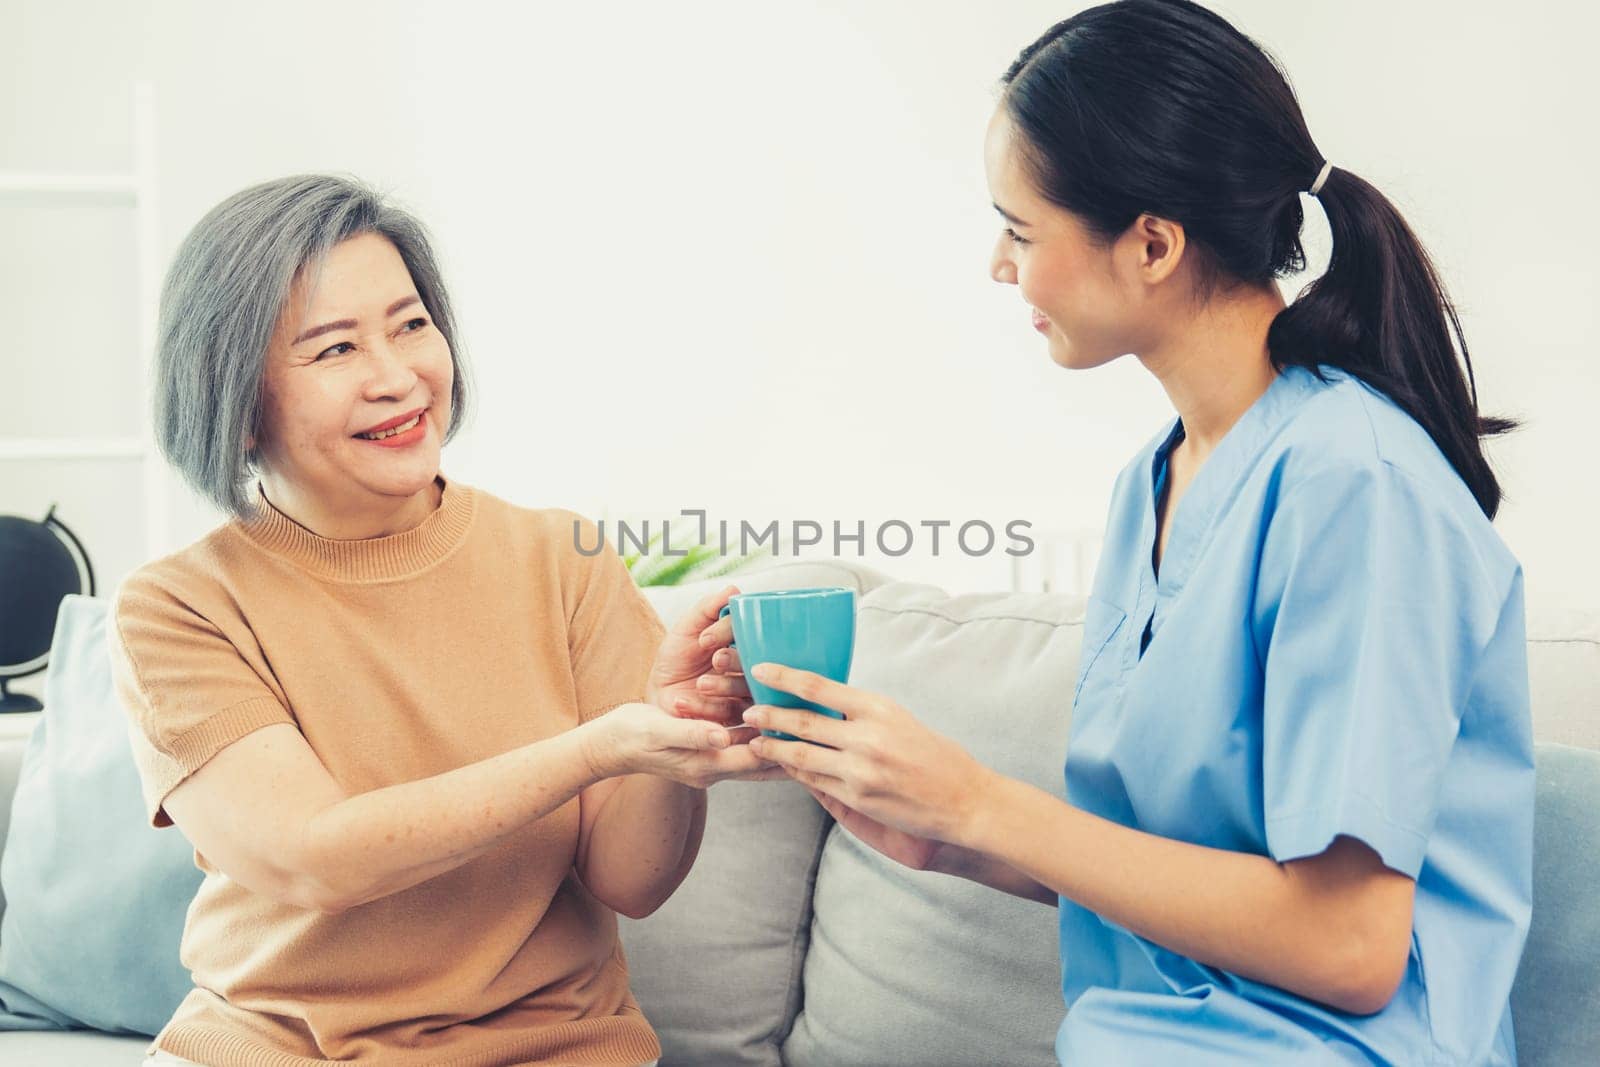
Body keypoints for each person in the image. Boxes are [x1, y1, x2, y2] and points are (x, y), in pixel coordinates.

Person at [733, 2, 1533, 1063]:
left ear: (1151, 242)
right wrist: (939, 829)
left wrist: (985, 803)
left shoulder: (1357, 483)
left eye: (1019, 230)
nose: (997, 265)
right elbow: (1181, 863)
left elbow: (1348, 943)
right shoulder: (1150, 485)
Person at [108, 174, 775, 1067]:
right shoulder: (179, 607)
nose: (397, 376)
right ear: (233, 402)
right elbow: (315, 859)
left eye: (411, 324)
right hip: (272, 1048)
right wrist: (599, 747)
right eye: (335, 348)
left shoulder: (562, 559)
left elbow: (633, 883)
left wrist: (672, 746)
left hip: (555, 1047)